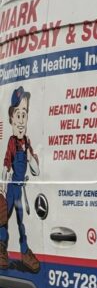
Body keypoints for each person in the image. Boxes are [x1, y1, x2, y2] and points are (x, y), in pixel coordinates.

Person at [1, 86, 41, 273]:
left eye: (24, 115)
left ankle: (25, 253)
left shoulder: (27, 143)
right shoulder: (12, 142)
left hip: (20, 189)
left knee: (21, 221)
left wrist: (31, 158)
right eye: (18, 115)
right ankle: (2, 250)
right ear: (11, 118)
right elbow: (6, 162)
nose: (21, 120)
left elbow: (35, 169)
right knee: (3, 218)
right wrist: (3, 185)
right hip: (10, 188)